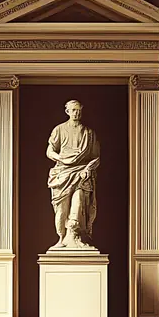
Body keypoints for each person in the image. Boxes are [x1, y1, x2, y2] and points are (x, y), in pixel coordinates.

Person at [46, 99, 100, 250]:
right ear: (67, 111)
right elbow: (49, 150)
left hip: (81, 172)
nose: (76, 113)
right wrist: (60, 158)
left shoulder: (89, 133)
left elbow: (96, 157)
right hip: (62, 173)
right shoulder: (59, 129)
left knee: (79, 201)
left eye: (79, 110)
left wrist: (87, 169)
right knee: (61, 209)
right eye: (73, 110)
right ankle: (61, 239)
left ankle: (75, 237)